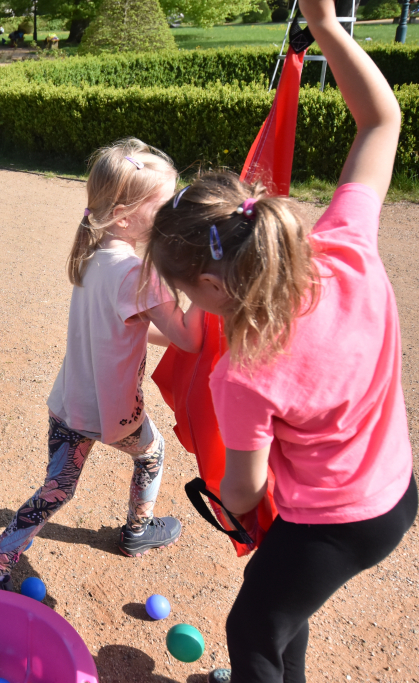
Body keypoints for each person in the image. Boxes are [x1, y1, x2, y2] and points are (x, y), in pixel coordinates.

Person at [144, 1, 415, 680]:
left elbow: (243, 491)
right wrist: (325, 25)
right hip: (393, 490)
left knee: (254, 628)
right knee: (281, 604)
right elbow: (382, 120)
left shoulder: (243, 371)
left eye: (185, 291)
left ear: (211, 285)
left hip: (333, 520)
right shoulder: (345, 249)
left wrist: (232, 495)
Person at [0, 138, 205, 590]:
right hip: (113, 414)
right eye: (165, 206)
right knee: (152, 453)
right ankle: (137, 531)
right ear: (126, 215)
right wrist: (209, 283)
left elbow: (130, 326)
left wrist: (170, 329)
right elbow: (190, 337)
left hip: (70, 404)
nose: (173, 215)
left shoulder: (94, 257)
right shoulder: (140, 275)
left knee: (56, 489)